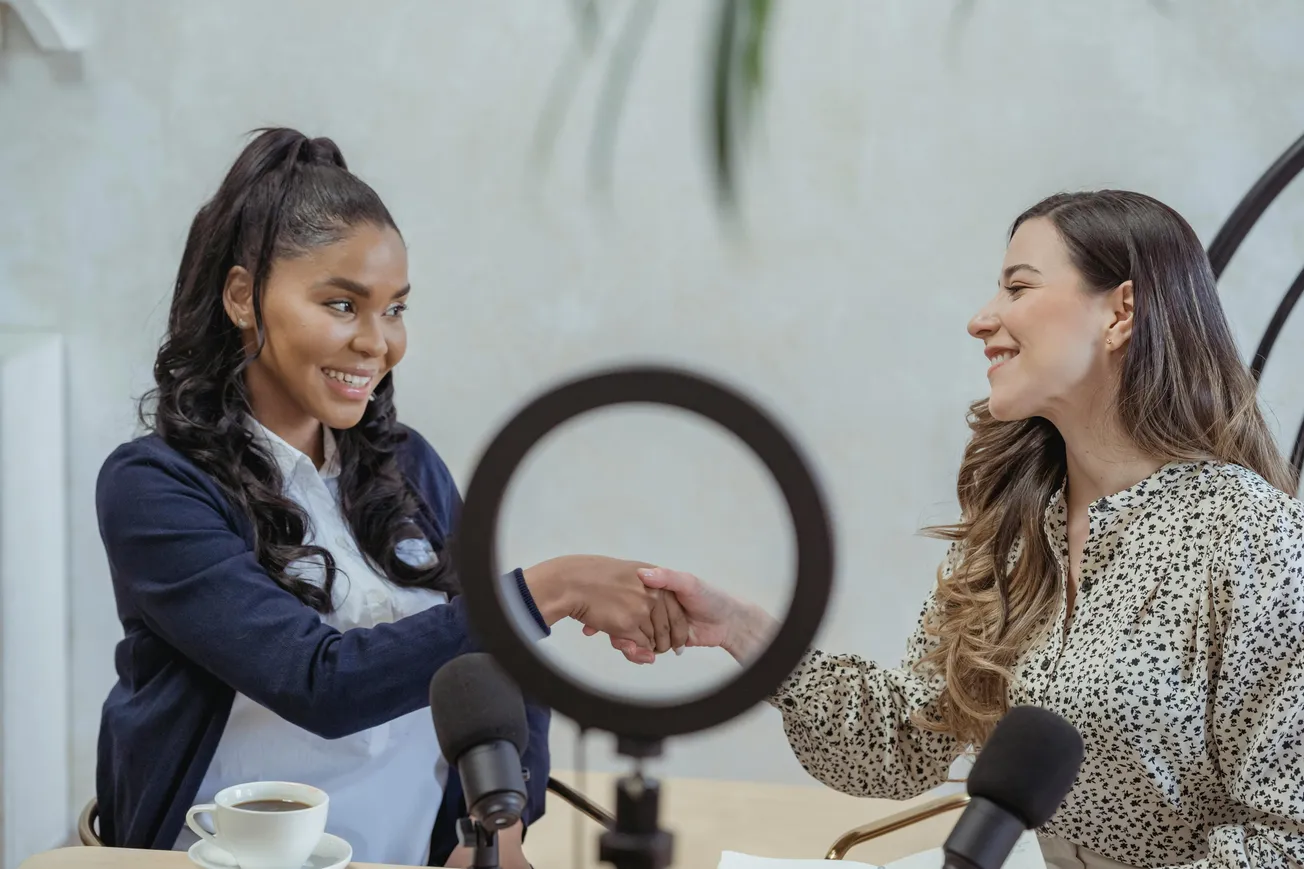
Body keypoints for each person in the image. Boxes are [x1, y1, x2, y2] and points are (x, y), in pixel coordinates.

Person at [614, 191, 1304, 869]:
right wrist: (744, 631)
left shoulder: (1251, 536)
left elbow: (1288, 837)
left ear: (1121, 311)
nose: (982, 319)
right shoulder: (1016, 533)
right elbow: (902, 745)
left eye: (1018, 287)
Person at [94, 127, 686, 868]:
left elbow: (496, 672)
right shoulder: (154, 488)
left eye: (395, 308)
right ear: (244, 296)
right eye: (342, 304)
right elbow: (320, 682)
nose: (378, 341)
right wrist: (552, 587)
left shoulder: (407, 465)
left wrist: (499, 835)